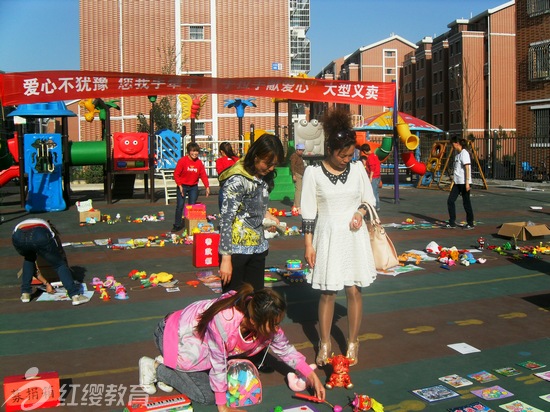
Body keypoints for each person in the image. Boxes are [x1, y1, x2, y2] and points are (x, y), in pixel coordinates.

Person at [138, 284, 325, 411]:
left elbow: (285, 349)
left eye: (278, 322)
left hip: (194, 344)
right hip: (172, 336)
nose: (277, 328)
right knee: (207, 396)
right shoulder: (224, 323)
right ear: (253, 321)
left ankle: (170, 368)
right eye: (273, 324)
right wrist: (223, 407)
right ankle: (156, 368)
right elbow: (218, 363)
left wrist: (310, 374)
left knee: (218, 386)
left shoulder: (260, 322)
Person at [301, 108, 377, 367]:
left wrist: (360, 211)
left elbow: (369, 199)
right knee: (327, 292)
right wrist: (308, 245)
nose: (346, 159)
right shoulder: (313, 172)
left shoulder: (357, 170)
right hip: (327, 236)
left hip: (353, 237)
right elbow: (309, 212)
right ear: (330, 149)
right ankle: (324, 343)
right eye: (342, 154)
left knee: (353, 289)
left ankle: (353, 342)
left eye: (350, 154)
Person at [217, 134, 284, 292]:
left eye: (274, 164)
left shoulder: (262, 178)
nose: (271, 169)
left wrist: (266, 216)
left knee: (254, 303)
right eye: (268, 163)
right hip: (236, 252)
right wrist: (226, 258)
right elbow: (226, 220)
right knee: (233, 306)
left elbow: (252, 206)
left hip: (258, 248)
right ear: (255, 156)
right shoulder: (237, 180)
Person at [12, 218, 90, 306]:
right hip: (39, 234)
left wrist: (46, 283)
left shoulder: (32, 222)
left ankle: (25, 294)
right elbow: (59, 252)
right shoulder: (49, 231)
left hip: (18, 236)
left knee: (29, 259)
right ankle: (75, 295)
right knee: (60, 264)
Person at [172, 142, 210, 232]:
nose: (195, 153)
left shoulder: (199, 163)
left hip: (193, 186)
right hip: (183, 186)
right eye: (193, 151)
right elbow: (176, 174)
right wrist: (180, 185)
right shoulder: (182, 161)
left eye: (196, 151)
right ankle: (177, 225)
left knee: (192, 206)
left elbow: (203, 175)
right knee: (180, 206)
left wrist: (207, 186)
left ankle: (191, 224)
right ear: (188, 152)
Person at [445, 135, 475, 230]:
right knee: (450, 201)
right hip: (457, 183)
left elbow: (467, 168)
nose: (452, 147)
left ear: (456, 143)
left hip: (464, 182)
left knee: (466, 203)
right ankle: (452, 222)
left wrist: (467, 183)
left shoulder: (464, 153)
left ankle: (470, 223)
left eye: (453, 144)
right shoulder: (457, 155)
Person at [215, 142, 239, 212]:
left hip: (225, 185)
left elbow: (220, 172)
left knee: (223, 206)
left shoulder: (219, 161)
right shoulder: (237, 159)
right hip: (236, 185)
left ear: (222, 151)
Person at [360, 143, 382, 211]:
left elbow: (372, 168)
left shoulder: (370, 157)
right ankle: (377, 205)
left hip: (374, 176)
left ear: (365, 151)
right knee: (376, 191)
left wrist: (370, 177)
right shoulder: (375, 155)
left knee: (373, 192)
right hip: (378, 175)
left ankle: (375, 206)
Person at [289, 143, 306, 212]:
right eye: (301, 150)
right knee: (298, 190)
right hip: (297, 174)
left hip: (300, 174)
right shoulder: (294, 156)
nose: (302, 152)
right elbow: (292, 166)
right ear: (297, 150)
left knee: (300, 190)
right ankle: (297, 206)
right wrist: (294, 175)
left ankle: (296, 205)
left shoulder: (299, 156)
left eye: (303, 150)